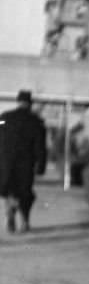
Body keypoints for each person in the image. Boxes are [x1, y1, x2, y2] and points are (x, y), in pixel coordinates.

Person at [0, 90, 47, 233]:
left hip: (6, 163)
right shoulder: (37, 122)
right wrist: (41, 166)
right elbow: (40, 146)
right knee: (25, 193)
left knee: (8, 190)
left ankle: (10, 211)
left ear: (18, 101)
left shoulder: (4, 118)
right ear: (30, 104)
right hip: (25, 165)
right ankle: (24, 220)